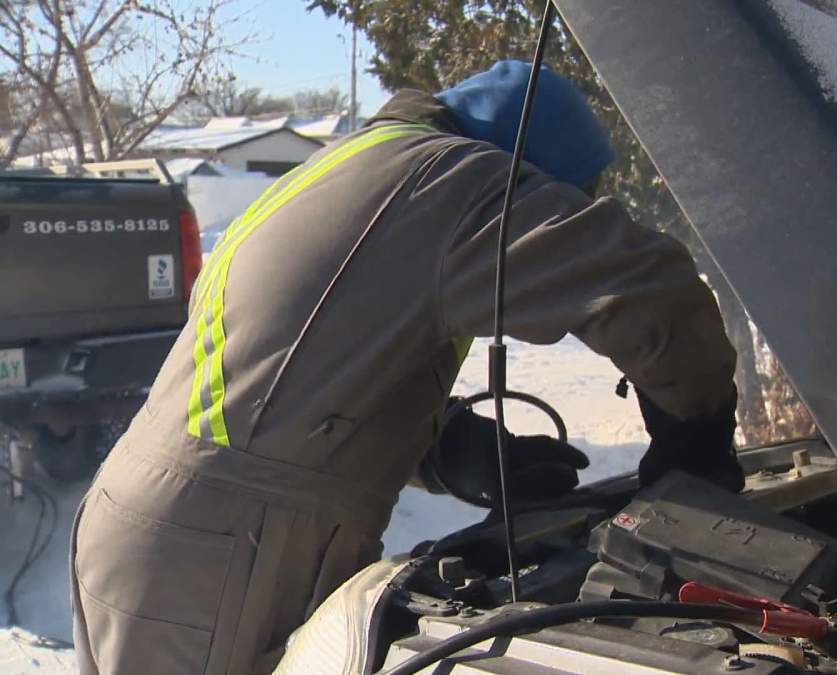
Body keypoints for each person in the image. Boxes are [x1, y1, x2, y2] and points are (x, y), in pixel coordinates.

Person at [69, 60, 743, 675]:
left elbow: (296, 366)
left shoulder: (354, 170)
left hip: (152, 527)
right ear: (526, 168)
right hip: (222, 551)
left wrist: (451, 446)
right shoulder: (457, 180)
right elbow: (647, 284)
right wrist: (700, 438)